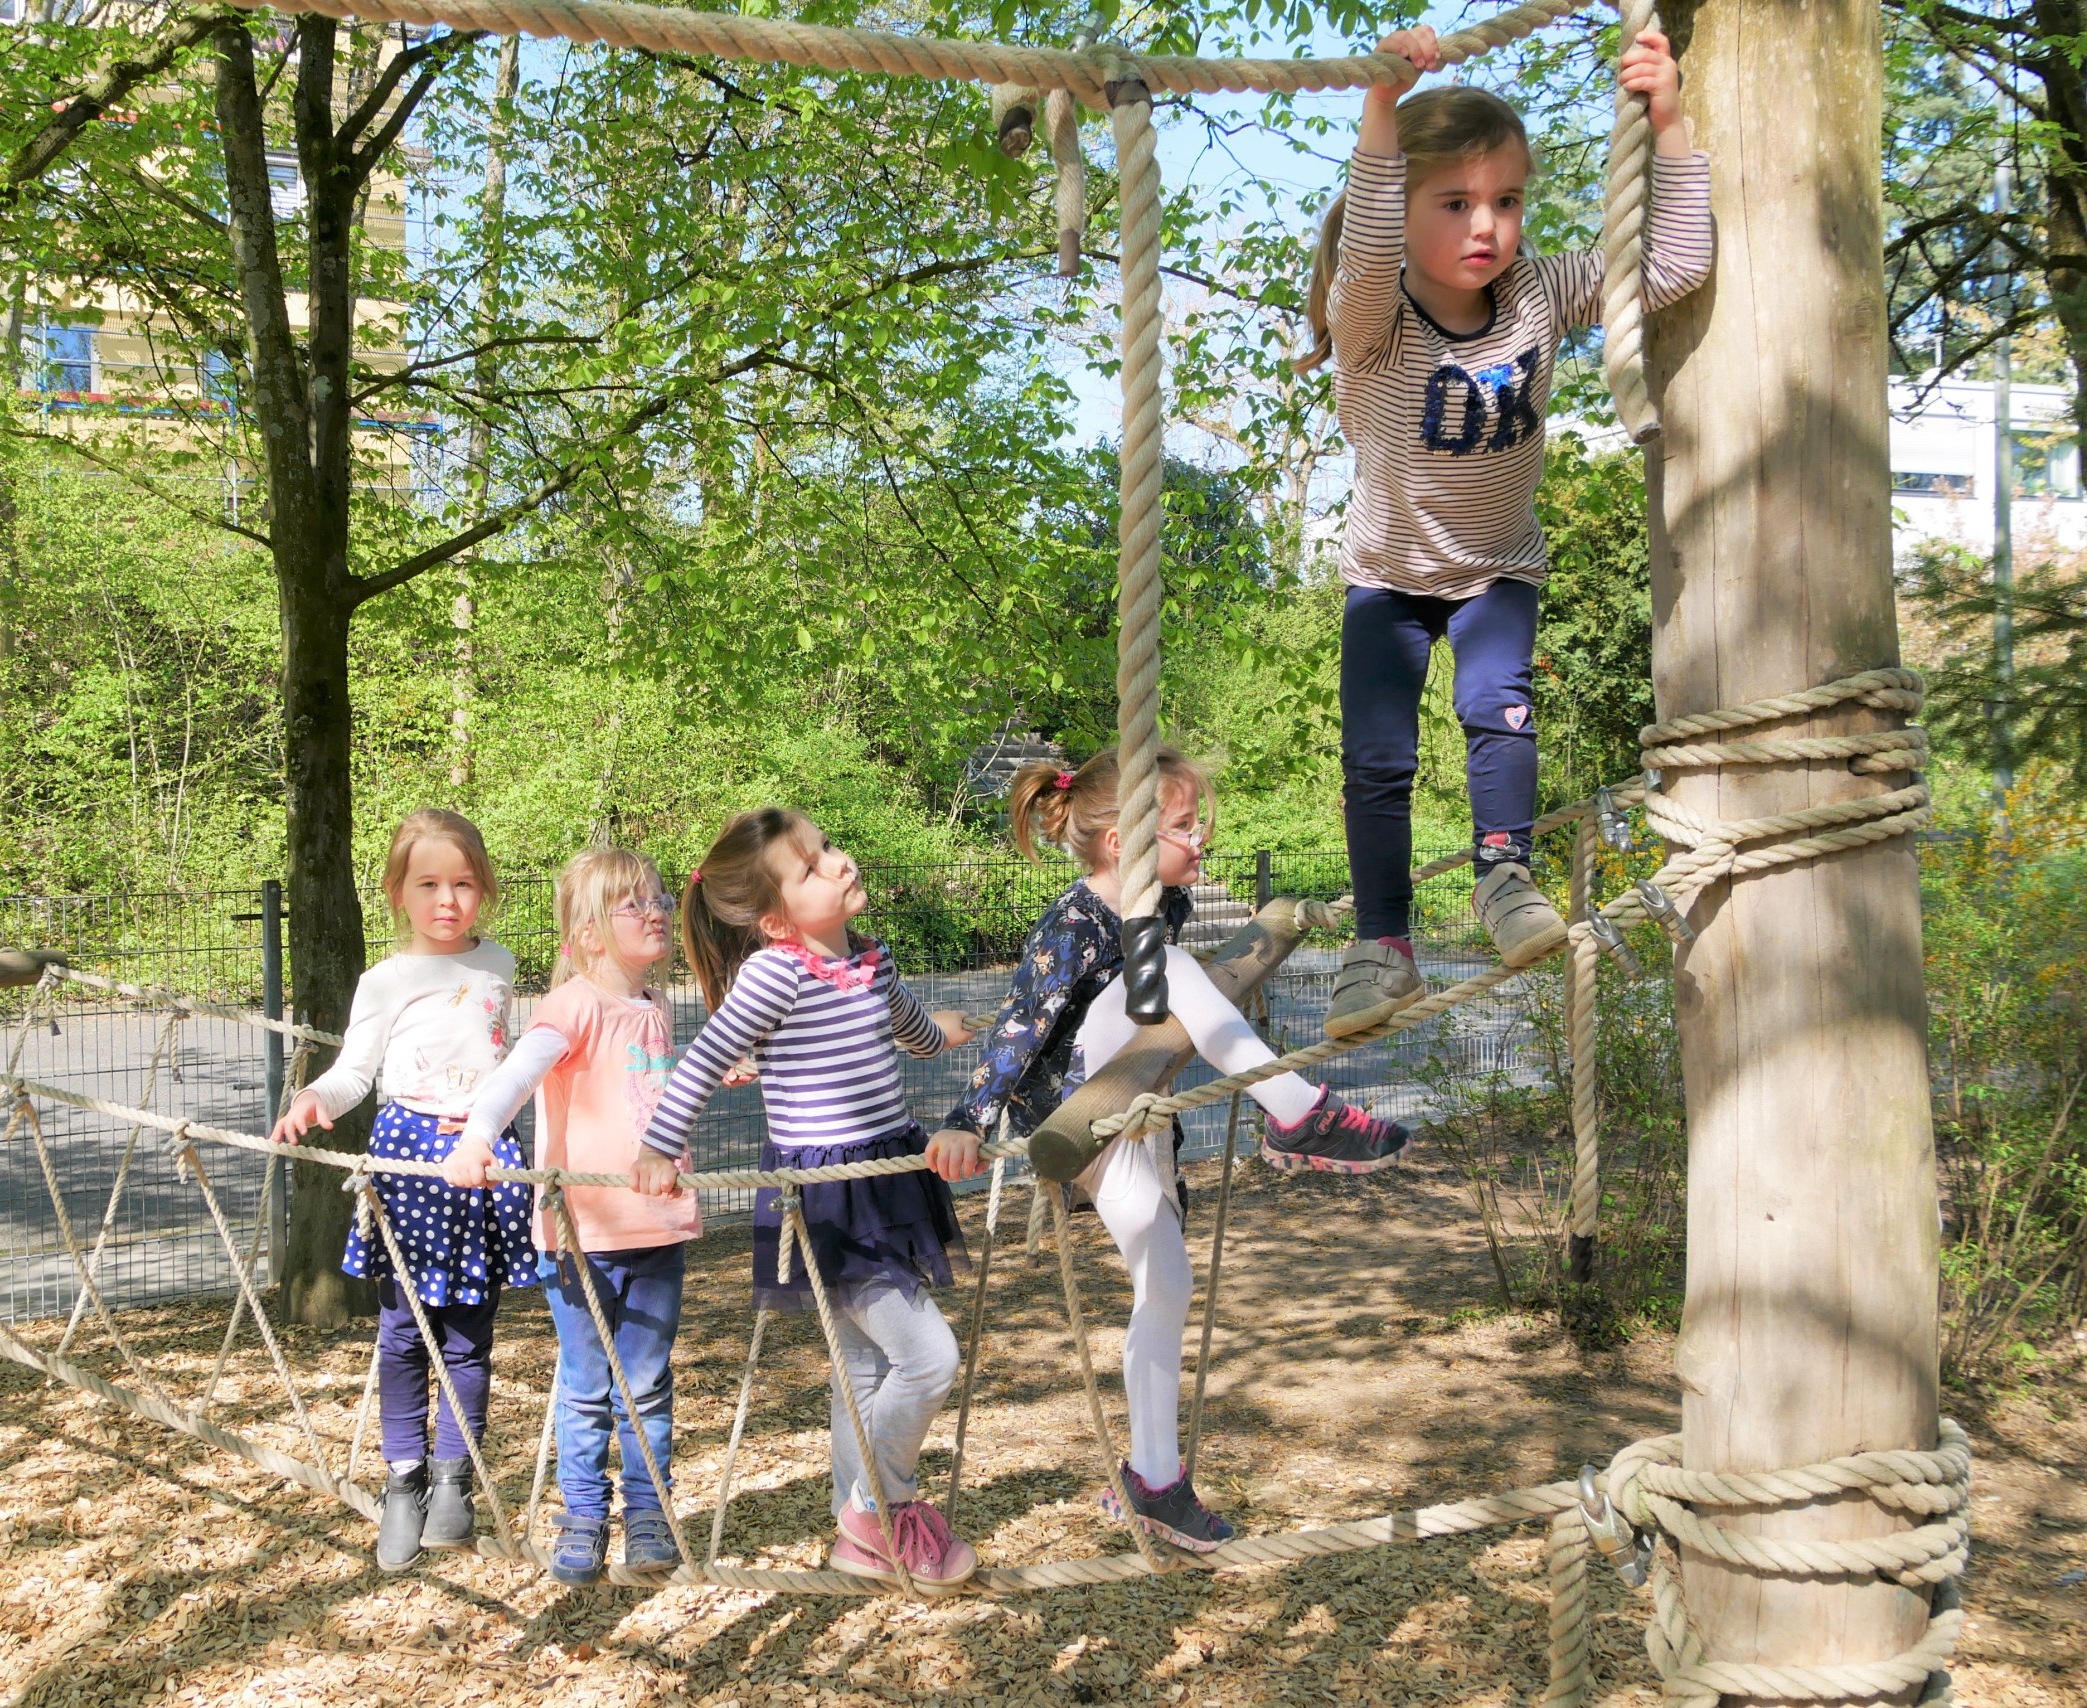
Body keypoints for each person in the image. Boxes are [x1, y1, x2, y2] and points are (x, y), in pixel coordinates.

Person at [1300, 26, 1711, 1039]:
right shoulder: (1372, 316)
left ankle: (1501, 875)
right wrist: (1380, 104)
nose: (1486, 225)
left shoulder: (1539, 292)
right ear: (1398, 212)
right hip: (1388, 577)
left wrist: (1669, 117)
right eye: (1454, 202)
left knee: (1499, 707)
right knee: (1377, 761)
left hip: (1493, 571)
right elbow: (1359, 251)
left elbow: (1676, 264)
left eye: (1506, 200)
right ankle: (1380, 943)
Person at [936, 749, 1407, 1551]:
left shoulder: (1169, 907)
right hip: (1078, 1106)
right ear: (1123, 842)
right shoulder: (1075, 922)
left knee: (1168, 1286)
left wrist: (1281, 924)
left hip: (1140, 1121)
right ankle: (1294, 1112)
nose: (1201, 843)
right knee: (1169, 964)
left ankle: (1153, 1480)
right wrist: (966, 1119)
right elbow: (1022, 1022)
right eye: (1185, 829)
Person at [632, 808, 983, 1590]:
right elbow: (703, 1060)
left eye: (828, 845)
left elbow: (911, 1033)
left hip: (890, 1173)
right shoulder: (775, 973)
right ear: (774, 918)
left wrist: (948, 1033)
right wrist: (659, 1144)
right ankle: (878, 1505)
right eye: (811, 866)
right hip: (826, 1193)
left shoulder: (871, 961)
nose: (838, 861)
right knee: (929, 1359)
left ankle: (857, 1528)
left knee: (862, 1367)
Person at [269, 808, 532, 1572]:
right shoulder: (386, 979)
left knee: (469, 1334)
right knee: (405, 1331)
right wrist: (318, 1099)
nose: (447, 899)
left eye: (463, 884)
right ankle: (402, 1479)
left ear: (482, 890)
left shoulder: (501, 966)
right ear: (398, 893)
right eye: (428, 884)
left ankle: (455, 1477)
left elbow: (507, 1065)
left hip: (482, 1162)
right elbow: (357, 1070)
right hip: (410, 1162)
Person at [459, 847, 700, 1587]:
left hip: (657, 1223)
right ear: (591, 934)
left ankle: (650, 1514)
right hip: (581, 1232)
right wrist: (478, 1133)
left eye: (660, 897)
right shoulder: (573, 1005)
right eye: (637, 904)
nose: (658, 910)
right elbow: (518, 1074)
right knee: (589, 1382)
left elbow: (651, 1088)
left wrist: (716, 1069)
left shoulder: (654, 1007)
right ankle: (585, 1517)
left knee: (650, 1381)